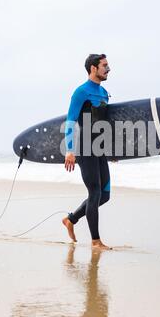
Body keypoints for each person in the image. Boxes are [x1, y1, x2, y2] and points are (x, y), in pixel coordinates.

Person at [62, 54, 114, 250]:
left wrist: (111, 150)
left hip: (99, 149)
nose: (108, 69)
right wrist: (69, 150)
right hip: (84, 148)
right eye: (105, 66)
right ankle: (95, 241)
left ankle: (71, 219)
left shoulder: (104, 92)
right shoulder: (81, 92)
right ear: (93, 68)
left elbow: (104, 125)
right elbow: (70, 121)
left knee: (105, 195)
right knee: (94, 193)